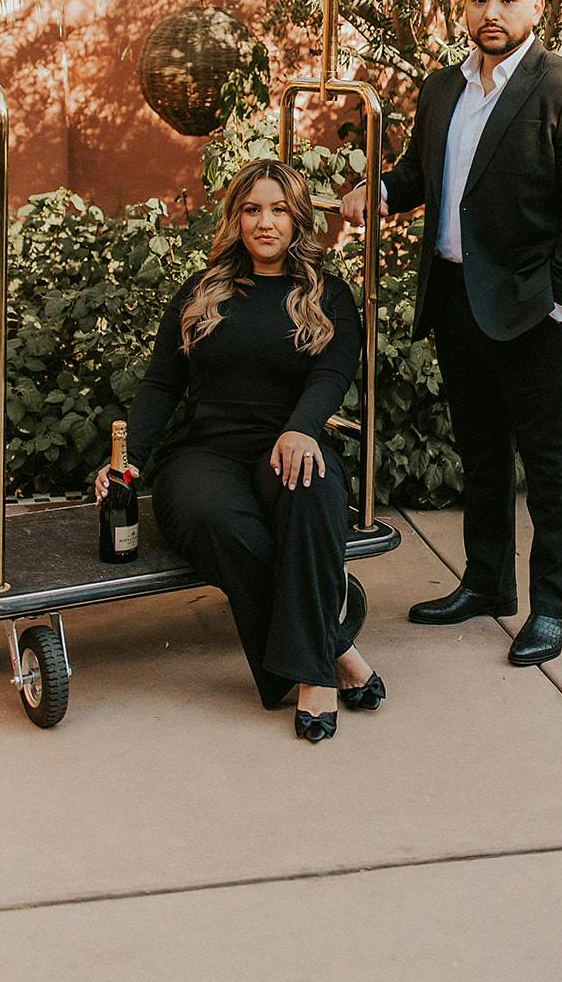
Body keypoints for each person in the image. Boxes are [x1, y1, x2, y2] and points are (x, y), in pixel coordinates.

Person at [341, 0, 562, 666]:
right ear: (462, 5)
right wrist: (377, 191)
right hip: (457, 301)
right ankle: (488, 583)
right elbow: (419, 175)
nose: (490, 12)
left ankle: (550, 610)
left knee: (550, 466)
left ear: (536, 6)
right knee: (482, 456)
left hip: (536, 311)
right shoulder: (442, 88)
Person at [95, 158, 384, 742]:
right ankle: (333, 650)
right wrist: (127, 461)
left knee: (312, 492)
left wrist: (301, 428)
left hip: (289, 440)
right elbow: (161, 384)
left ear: (297, 218)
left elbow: (331, 374)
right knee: (218, 522)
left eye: (278, 209)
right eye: (252, 209)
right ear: (236, 219)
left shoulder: (327, 295)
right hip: (205, 453)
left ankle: (312, 679)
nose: (265, 222)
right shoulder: (202, 292)